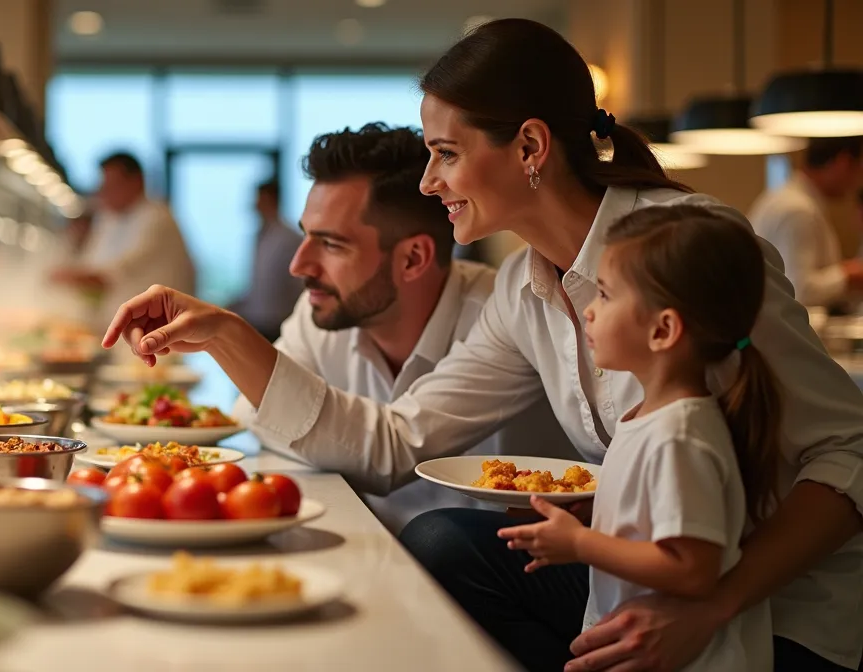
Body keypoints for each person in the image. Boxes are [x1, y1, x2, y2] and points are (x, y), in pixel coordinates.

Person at [101, 18, 863, 672]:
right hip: (642, 585)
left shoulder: (692, 250)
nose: (430, 183)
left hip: (778, 608)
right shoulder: (522, 291)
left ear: (530, 146)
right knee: (444, 544)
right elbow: (396, 440)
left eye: (447, 153)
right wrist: (228, 333)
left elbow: (848, 453)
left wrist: (716, 602)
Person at [230, 123, 576, 533]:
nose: (299, 265)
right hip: (372, 554)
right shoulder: (321, 310)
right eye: (307, 236)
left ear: (413, 259)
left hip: (503, 570)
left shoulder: (504, 316)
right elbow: (253, 412)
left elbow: (389, 451)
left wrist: (229, 338)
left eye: (332, 244)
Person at [497, 205, 779, 671]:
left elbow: (693, 568)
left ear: (662, 329)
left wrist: (580, 545)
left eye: (605, 295)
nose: (587, 310)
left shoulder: (679, 434)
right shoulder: (651, 417)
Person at [52, 152, 196, 333]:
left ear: (138, 181)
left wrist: (71, 276)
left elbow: (118, 271)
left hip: (160, 332)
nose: (104, 192)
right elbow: (91, 263)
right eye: (103, 185)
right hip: (120, 329)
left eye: (113, 185)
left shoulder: (157, 218)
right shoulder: (110, 218)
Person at [749, 137, 863, 310]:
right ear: (843, 161)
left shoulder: (785, 198)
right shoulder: (798, 209)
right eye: (858, 168)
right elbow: (799, 291)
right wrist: (848, 274)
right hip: (779, 332)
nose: (857, 180)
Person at [228, 179, 304, 342]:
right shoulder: (260, 237)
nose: (255, 205)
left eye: (260, 199)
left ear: (272, 200)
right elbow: (258, 286)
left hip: (279, 325)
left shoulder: (289, 239)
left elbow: (299, 284)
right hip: (255, 323)